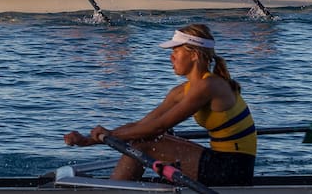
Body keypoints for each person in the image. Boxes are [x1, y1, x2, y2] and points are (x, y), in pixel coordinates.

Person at [64, 24, 257, 187]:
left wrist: (110, 135)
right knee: (145, 138)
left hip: (234, 169)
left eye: (176, 51)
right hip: (219, 159)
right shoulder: (181, 91)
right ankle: (119, 186)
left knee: (145, 143)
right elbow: (143, 125)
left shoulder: (209, 85)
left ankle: (114, 189)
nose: (171, 57)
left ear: (195, 55)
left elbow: (158, 127)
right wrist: (90, 140)